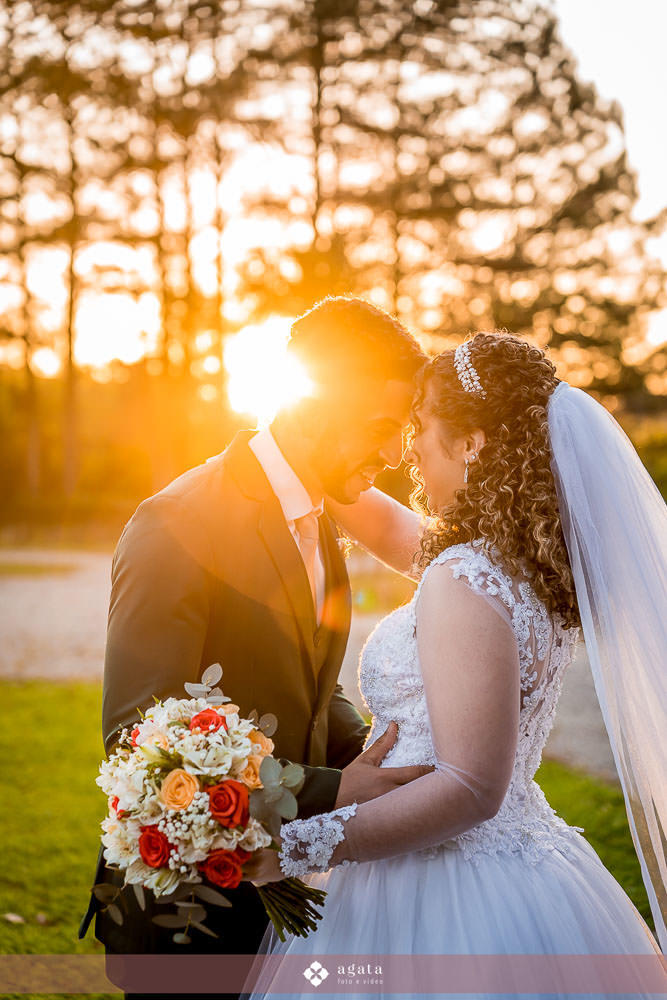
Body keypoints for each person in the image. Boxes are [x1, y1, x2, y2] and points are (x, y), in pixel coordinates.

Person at [241, 331, 666, 1000]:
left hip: (438, 881)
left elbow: (469, 788)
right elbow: (379, 523)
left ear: (470, 443)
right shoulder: (519, 563)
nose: (406, 448)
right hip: (523, 870)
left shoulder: (464, 577)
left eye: (420, 428)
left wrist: (294, 848)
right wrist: (300, 437)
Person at [77, 295, 432, 1000]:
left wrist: (366, 754)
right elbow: (138, 741)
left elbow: (305, 681)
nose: (393, 454)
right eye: (380, 427)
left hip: (279, 897)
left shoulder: (319, 518)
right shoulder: (176, 522)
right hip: (186, 914)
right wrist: (333, 790)